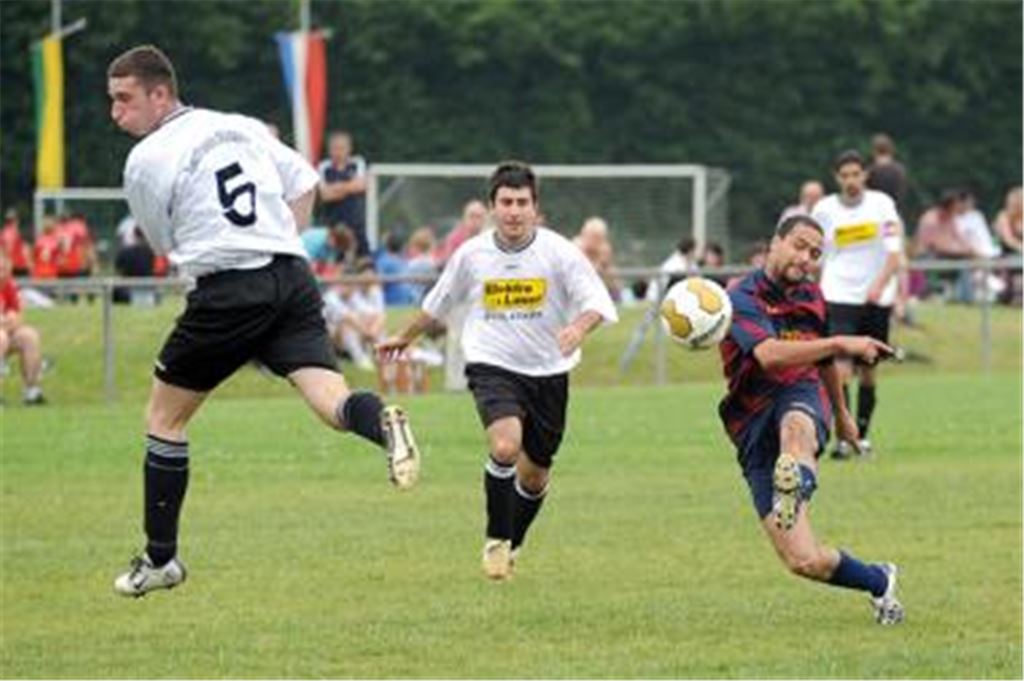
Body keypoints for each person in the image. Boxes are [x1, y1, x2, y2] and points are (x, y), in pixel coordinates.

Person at [105, 44, 420, 597]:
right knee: (331, 401)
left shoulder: (146, 159)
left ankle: (161, 561)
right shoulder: (241, 125)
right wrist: (281, 242)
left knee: (165, 419)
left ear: (160, 94)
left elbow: (163, 244)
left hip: (228, 287)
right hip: (290, 276)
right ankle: (384, 424)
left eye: (125, 99)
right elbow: (304, 183)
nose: (116, 113)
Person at [378, 161, 618, 580]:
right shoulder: (471, 254)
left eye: (521, 203)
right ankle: (495, 539)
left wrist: (578, 328)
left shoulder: (559, 252)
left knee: (536, 475)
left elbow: (597, 301)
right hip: (492, 364)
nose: (513, 211)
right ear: (492, 207)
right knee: (506, 446)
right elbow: (438, 302)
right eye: (505, 202)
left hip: (549, 371)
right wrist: (405, 337)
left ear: (535, 208)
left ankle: (514, 543)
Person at [719, 214, 904, 625]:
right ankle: (880, 579)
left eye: (816, 254)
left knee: (795, 428)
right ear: (775, 242)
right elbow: (767, 354)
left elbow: (822, 362)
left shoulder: (812, 297)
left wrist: (841, 415)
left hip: (799, 394)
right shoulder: (741, 295)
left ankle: (797, 479)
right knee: (803, 560)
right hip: (750, 418)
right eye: (800, 246)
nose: (806, 258)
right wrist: (842, 342)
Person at [811, 150, 904, 459]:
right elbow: (815, 254)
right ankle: (842, 438)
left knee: (869, 372)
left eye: (856, 174)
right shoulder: (824, 209)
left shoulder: (882, 205)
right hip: (838, 295)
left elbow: (893, 253)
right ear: (837, 178)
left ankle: (862, 437)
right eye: (845, 175)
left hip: (875, 297)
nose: (851, 180)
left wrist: (879, 286)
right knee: (840, 370)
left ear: (865, 175)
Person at [0, 249, 46, 405]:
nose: (3, 273)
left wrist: (8, 323)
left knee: (29, 336)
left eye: (5, 269)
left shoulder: (9, 286)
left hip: (6, 331)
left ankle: (31, 391)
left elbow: (17, 317)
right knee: (1, 338)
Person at [317, 131, 369, 257]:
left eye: (341, 148)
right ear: (329, 150)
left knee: (363, 262)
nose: (338, 152)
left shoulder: (357, 163)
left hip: (356, 225)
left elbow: (362, 186)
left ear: (349, 149)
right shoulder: (324, 167)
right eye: (335, 148)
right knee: (335, 265)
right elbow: (325, 195)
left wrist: (336, 188)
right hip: (332, 227)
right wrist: (349, 187)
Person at [436, 199, 488, 265]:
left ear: (484, 219)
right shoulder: (454, 239)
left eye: (478, 217)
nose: (475, 220)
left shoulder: (489, 240)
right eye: (471, 216)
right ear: (464, 218)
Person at [867, 133, 908, 213]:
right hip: (894, 211)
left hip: (873, 212)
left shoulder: (870, 170)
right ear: (891, 149)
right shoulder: (899, 170)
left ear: (874, 150)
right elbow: (901, 194)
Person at [1, 209, 33, 277]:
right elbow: (7, 249)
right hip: (16, 267)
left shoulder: (5, 232)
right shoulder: (11, 233)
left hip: (13, 266)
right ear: (16, 220)